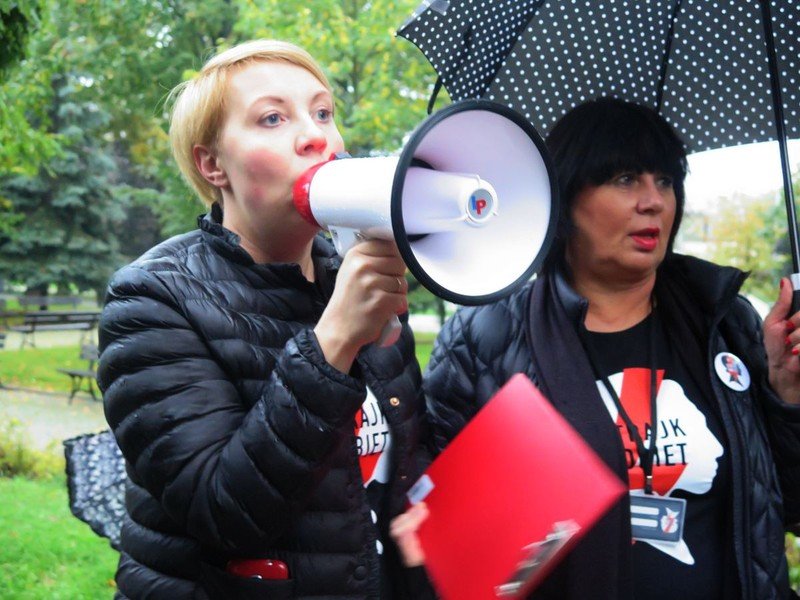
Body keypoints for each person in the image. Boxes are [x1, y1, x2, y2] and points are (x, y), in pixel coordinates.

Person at [414, 98, 800, 599]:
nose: (654, 201)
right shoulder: (485, 338)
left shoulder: (724, 324)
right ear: (565, 195)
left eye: (664, 181)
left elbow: (788, 506)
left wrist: (788, 393)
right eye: (625, 179)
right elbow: (444, 546)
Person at [98, 39, 433, 599]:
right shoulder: (151, 300)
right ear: (213, 165)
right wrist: (334, 341)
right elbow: (222, 513)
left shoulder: (354, 275)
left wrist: (422, 505)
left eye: (323, 112)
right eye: (273, 118)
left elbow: (405, 448)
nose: (316, 136)